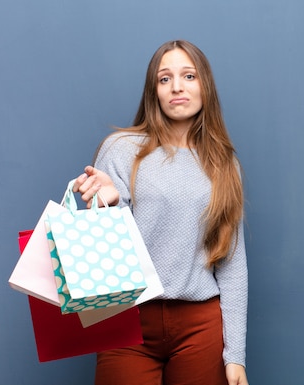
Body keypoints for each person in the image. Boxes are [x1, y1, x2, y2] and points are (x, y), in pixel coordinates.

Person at [72, 40, 249, 385]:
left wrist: (235, 355)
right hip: (126, 317)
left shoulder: (225, 164)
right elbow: (104, 252)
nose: (177, 87)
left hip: (201, 324)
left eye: (189, 76)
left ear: (205, 86)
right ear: (153, 91)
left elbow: (232, 262)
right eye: (164, 79)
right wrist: (110, 204)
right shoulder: (121, 149)